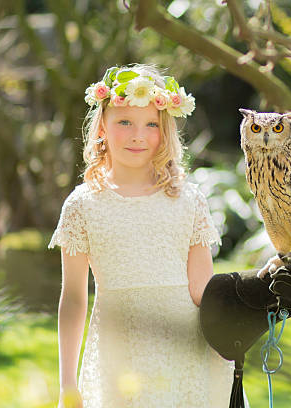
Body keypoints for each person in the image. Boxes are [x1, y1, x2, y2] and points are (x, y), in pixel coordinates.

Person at [48, 63, 242, 407]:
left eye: (151, 124)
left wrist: (247, 304)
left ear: (164, 131)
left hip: (185, 351)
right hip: (117, 351)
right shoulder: (82, 205)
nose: (138, 135)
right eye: (125, 122)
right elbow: (75, 299)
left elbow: (203, 290)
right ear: (102, 127)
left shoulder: (189, 199)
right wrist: (67, 384)